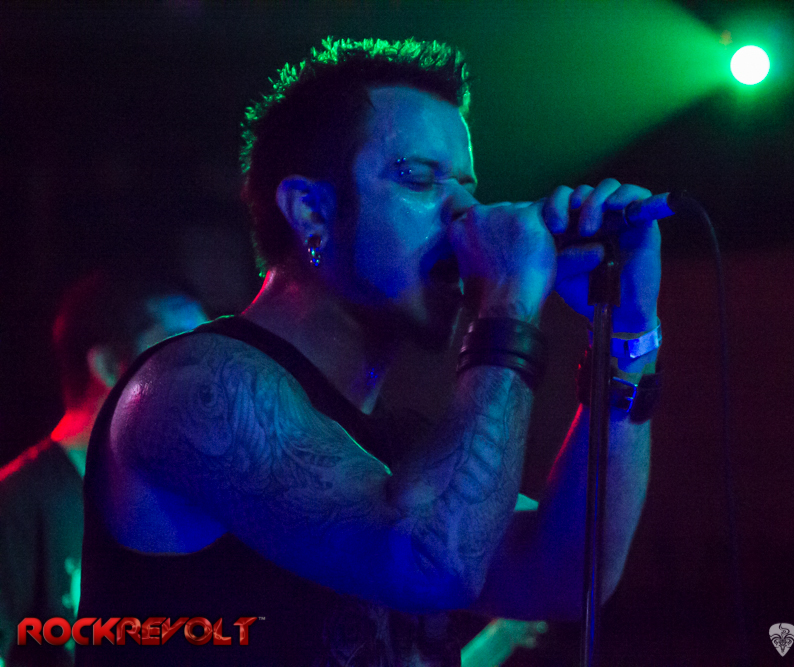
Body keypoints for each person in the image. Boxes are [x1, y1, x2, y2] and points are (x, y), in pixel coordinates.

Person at [77, 37, 667, 666]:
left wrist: (627, 335)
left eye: (468, 188)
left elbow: (568, 577)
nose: (468, 213)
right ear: (311, 211)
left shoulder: (399, 450)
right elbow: (432, 561)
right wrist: (508, 300)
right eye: (420, 179)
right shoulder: (199, 387)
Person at [0, 271, 208, 667]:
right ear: (110, 366)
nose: (207, 373)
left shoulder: (183, 501)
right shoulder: (17, 504)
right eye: (180, 349)